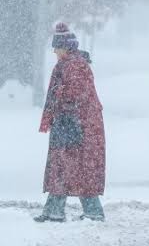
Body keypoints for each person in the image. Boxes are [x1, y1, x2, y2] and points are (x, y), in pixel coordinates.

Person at [34, 22, 106, 222]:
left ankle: (84, 211)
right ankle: (60, 210)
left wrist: (59, 104)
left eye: (57, 47)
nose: (54, 51)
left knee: (70, 166)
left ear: (65, 47)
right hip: (77, 123)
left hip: (77, 125)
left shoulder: (73, 65)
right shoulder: (73, 64)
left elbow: (72, 94)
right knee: (73, 167)